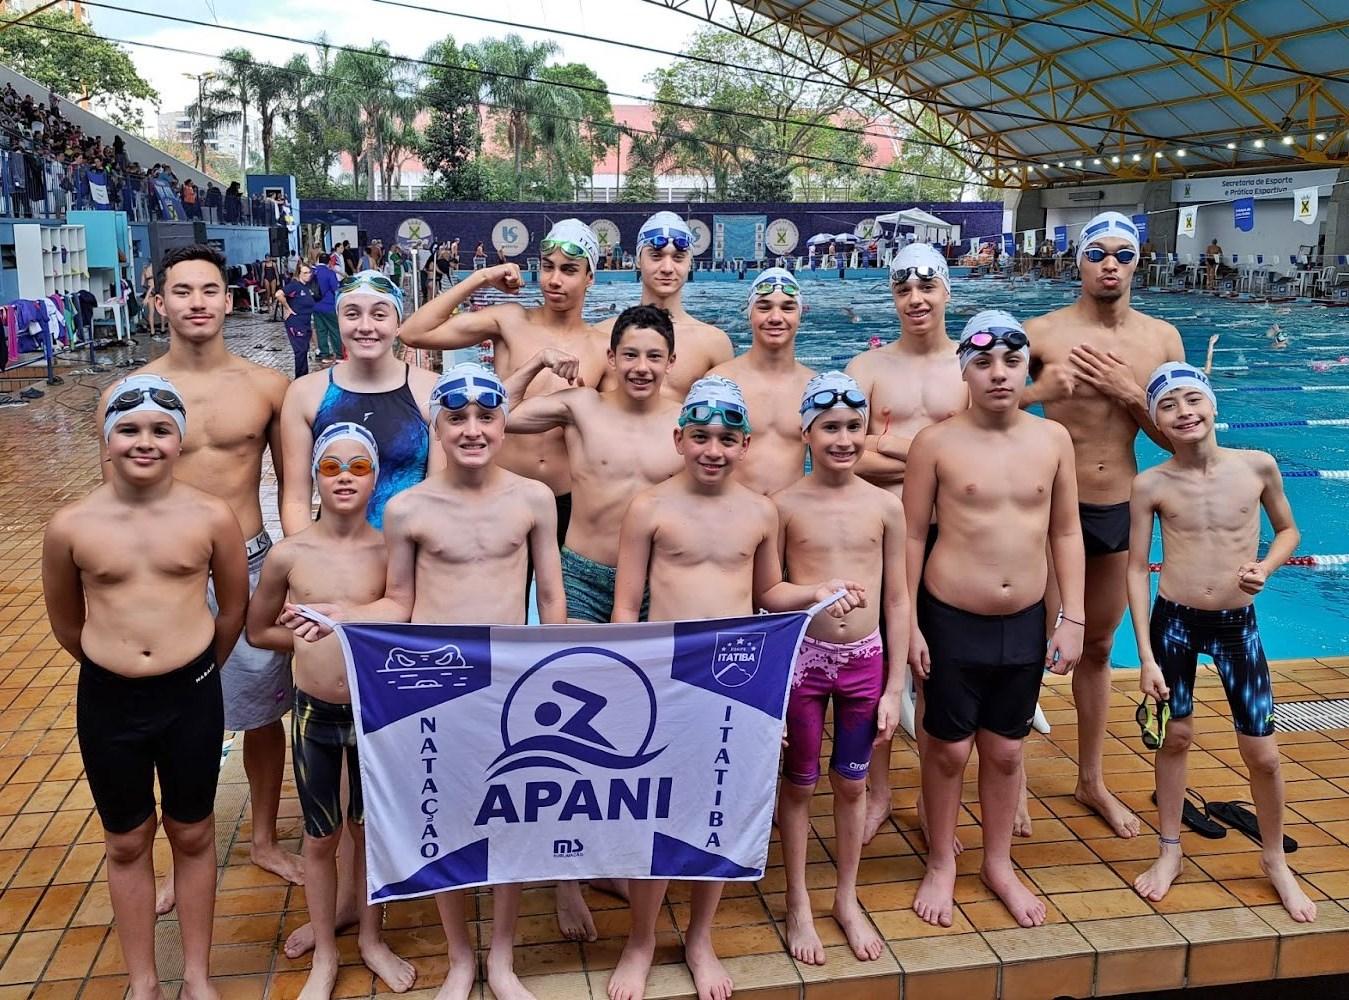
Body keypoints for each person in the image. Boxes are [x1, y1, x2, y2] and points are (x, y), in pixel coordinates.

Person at [285, 362, 564, 1000]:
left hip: (507, 683)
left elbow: (550, 596)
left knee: (506, 823)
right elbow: (399, 604)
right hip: (435, 686)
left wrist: (552, 667)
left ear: (503, 422)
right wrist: (343, 614)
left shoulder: (532, 498)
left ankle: (500, 956)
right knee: (443, 822)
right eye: (456, 417)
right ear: (435, 425)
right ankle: (460, 954)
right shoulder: (408, 510)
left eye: (485, 417)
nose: (472, 430)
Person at [607, 374, 863, 1000]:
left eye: (726, 438)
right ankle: (641, 940)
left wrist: (814, 592)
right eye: (700, 437)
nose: (713, 450)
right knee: (657, 817)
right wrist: (627, 684)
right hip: (666, 680)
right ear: (679, 438)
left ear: (745, 444)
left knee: (715, 816)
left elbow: (767, 595)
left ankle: (699, 937)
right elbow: (623, 610)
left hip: (735, 680)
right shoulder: (650, 508)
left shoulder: (759, 511)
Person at [95, 245, 297, 909]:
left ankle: (264, 839)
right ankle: (157, 861)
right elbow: (113, 507)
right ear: (159, 303)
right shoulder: (127, 395)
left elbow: (294, 489)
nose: (197, 303)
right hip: (169, 576)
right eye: (181, 292)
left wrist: (304, 566)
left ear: (230, 300)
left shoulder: (267, 387)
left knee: (265, 715)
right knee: (157, 717)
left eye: (209, 290)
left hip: (252, 557)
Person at [45, 373, 248, 1000]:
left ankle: (196, 975)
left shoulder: (212, 517)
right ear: (106, 442)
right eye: (128, 430)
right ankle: (143, 980)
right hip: (109, 700)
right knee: (126, 839)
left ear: (179, 441)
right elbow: (65, 622)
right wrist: (117, 666)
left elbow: (233, 610)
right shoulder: (70, 526)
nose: (145, 442)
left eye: (161, 430)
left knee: (192, 831)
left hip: (190, 693)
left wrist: (192, 667)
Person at [276, 271, 440, 959]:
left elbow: (443, 489)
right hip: (327, 576)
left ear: (398, 319)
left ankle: (375, 899)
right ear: (334, 319)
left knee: (388, 771)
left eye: (380, 312)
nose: (367, 324)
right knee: (330, 755)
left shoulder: (429, 390)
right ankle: (340, 905)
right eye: (353, 312)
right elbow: (290, 494)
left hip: (401, 586)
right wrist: (301, 575)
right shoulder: (308, 393)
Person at [906, 311, 1085, 929]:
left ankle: (998, 863)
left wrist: (1073, 618)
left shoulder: (1052, 440)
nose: (999, 374)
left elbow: (1066, 530)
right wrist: (908, 625)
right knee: (949, 750)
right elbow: (908, 536)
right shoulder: (936, 443)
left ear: (1025, 368)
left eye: (1011, 362)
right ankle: (940, 861)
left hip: (1024, 621)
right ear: (966, 372)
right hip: (951, 614)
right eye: (983, 363)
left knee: (1007, 751)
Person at [1127, 363, 1316, 923]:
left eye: (1192, 399)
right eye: (1168, 405)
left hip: (1238, 626)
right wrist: (1142, 654)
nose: (1183, 412)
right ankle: (1169, 851)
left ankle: (1274, 859)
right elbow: (1137, 568)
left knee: (1262, 752)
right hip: (1175, 624)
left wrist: (1267, 567)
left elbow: (1289, 530)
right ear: (1156, 421)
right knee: (1175, 739)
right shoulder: (1151, 484)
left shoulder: (1258, 466)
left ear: (1212, 405)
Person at [1023, 210, 1184, 839]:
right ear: (1079, 261)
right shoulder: (1040, 333)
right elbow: (977, 399)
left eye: (1122, 253)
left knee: (1095, 647)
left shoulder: (1161, 341)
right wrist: (1039, 392)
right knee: (1026, 648)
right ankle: (1014, 783)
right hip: (1046, 508)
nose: (1109, 264)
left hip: (1118, 507)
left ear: (1139, 261)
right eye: (1097, 253)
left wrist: (1128, 391)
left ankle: (1091, 779)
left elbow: (1181, 441)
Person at [247, 423, 418, 998]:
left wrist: (345, 615)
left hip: (376, 714)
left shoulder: (391, 549)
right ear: (315, 476)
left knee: (370, 833)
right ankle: (325, 952)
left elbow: (406, 614)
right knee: (320, 838)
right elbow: (258, 627)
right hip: (314, 716)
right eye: (331, 467)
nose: (345, 477)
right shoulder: (288, 555)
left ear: (376, 479)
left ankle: (371, 938)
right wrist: (301, 639)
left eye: (358, 467)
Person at [774, 372, 908, 967]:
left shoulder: (885, 506)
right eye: (830, 427)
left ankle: (845, 897)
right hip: (803, 665)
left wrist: (895, 686)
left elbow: (899, 599)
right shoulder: (782, 506)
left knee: (852, 785)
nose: (844, 439)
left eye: (854, 427)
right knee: (799, 784)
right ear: (806, 433)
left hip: (865, 664)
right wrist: (812, 591)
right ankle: (797, 897)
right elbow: (768, 594)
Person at [845, 243, 969, 843]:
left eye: (927, 288)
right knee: (879, 665)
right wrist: (928, 450)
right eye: (903, 289)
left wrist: (890, 449)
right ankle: (879, 790)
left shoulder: (970, 367)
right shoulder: (865, 370)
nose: (916, 300)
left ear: (947, 291)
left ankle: (937, 791)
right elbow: (841, 449)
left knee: (943, 663)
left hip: (952, 535)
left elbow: (985, 450)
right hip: (882, 531)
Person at [399, 219, 610, 545]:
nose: (554, 280)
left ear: (589, 277)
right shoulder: (510, 320)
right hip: (503, 490)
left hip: (570, 499)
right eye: (547, 267)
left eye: (568, 270)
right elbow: (413, 333)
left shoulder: (601, 346)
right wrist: (482, 277)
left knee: (560, 597)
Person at [593, 212, 733, 399]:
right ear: (638, 260)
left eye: (678, 257)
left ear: (690, 263)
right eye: (656, 256)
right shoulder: (599, 336)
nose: (667, 268)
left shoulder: (714, 344)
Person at [706, 267, 816, 495]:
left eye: (787, 308)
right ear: (750, 314)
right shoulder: (721, 381)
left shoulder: (814, 387)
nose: (776, 318)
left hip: (790, 520)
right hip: (734, 517)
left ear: (799, 315)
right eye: (764, 307)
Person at [278, 262, 318, 378]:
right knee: (300, 351)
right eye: (305, 273)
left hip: (305, 322)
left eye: (309, 272)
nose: (308, 275)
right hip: (295, 322)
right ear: (299, 274)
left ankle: (304, 376)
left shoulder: (307, 286)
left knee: (304, 350)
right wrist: (287, 308)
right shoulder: (294, 285)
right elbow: (279, 294)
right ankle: (299, 378)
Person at [310, 254, 343, 364]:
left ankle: (324, 354)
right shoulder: (330, 273)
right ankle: (338, 354)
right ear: (329, 262)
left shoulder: (312, 272)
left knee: (321, 330)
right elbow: (335, 289)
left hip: (315, 306)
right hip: (329, 306)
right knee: (334, 330)